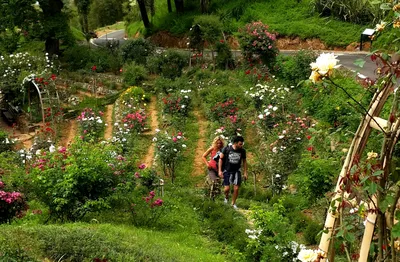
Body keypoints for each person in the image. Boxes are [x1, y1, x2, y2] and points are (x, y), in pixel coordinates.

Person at [218, 135, 247, 209]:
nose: (241, 145)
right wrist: (220, 170)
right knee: (226, 189)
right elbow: (220, 159)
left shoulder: (242, 151)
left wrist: (245, 172)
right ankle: (226, 197)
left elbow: (244, 161)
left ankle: (233, 203)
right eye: (240, 144)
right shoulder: (227, 149)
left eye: (242, 144)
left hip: (237, 171)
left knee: (236, 188)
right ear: (235, 143)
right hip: (227, 170)